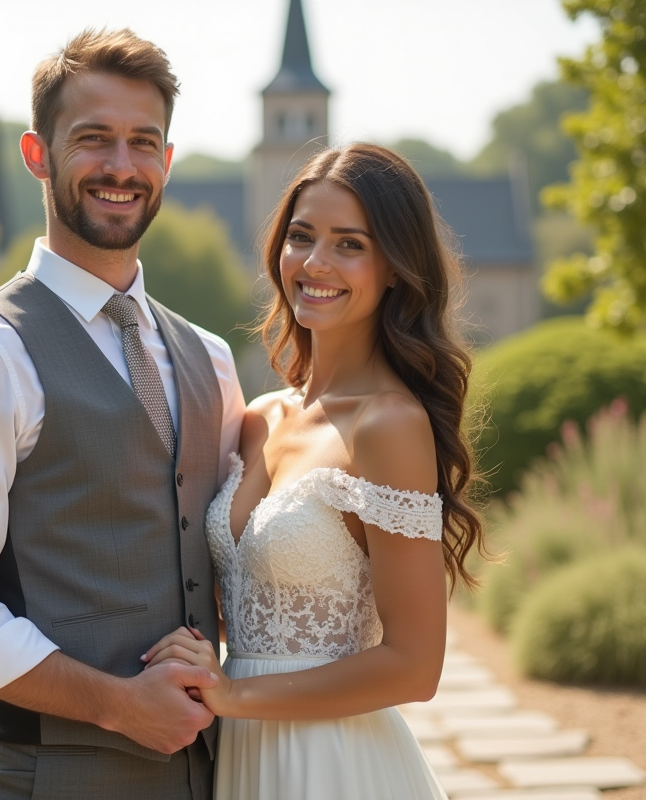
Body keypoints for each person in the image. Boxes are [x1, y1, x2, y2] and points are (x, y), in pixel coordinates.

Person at [0, 29, 245, 800]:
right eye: (93, 139)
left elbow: (217, 562)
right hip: (47, 776)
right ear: (38, 155)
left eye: (142, 143)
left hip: (207, 777)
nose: (121, 167)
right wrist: (122, 707)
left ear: (167, 160)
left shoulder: (211, 359)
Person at [143, 143, 486, 800]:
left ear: (394, 267)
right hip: (241, 759)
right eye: (301, 237)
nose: (315, 263)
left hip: (336, 764)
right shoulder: (257, 419)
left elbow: (415, 668)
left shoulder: (388, 425)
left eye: (349, 244)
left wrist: (233, 694)